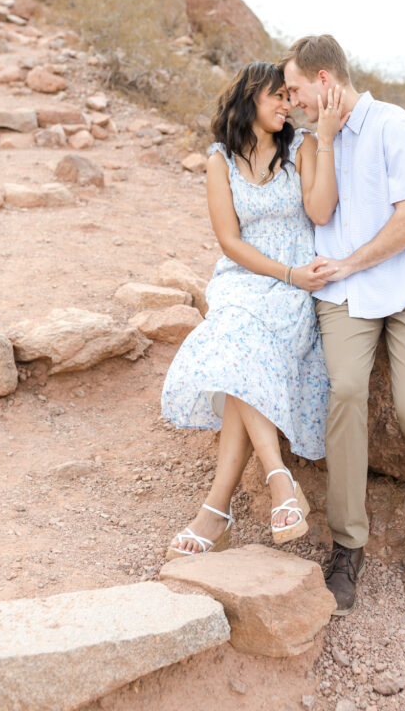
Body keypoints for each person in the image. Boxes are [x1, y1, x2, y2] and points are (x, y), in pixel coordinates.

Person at [282, 35, 405, 614]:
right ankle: (347, 545)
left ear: (325, 81)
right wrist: (326, 141)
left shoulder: (397, 127)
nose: (290, 102)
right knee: (346, 391)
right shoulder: (316, 139)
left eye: (295, 90)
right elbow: (320, 213)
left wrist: (353, 261)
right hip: (344, 292)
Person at [161, 60, 344, 556]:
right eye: (277, 97)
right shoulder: (219, 159)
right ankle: (278, 479)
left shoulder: (301, 147)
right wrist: (282, 273)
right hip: (248, 278)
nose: (287, 105)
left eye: (289, 96)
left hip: (295, 285)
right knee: (238, 331)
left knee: (238, 351)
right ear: (250, 99)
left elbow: (320, 211)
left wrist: (323, 139)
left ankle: (215, 510)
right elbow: (229, 241)